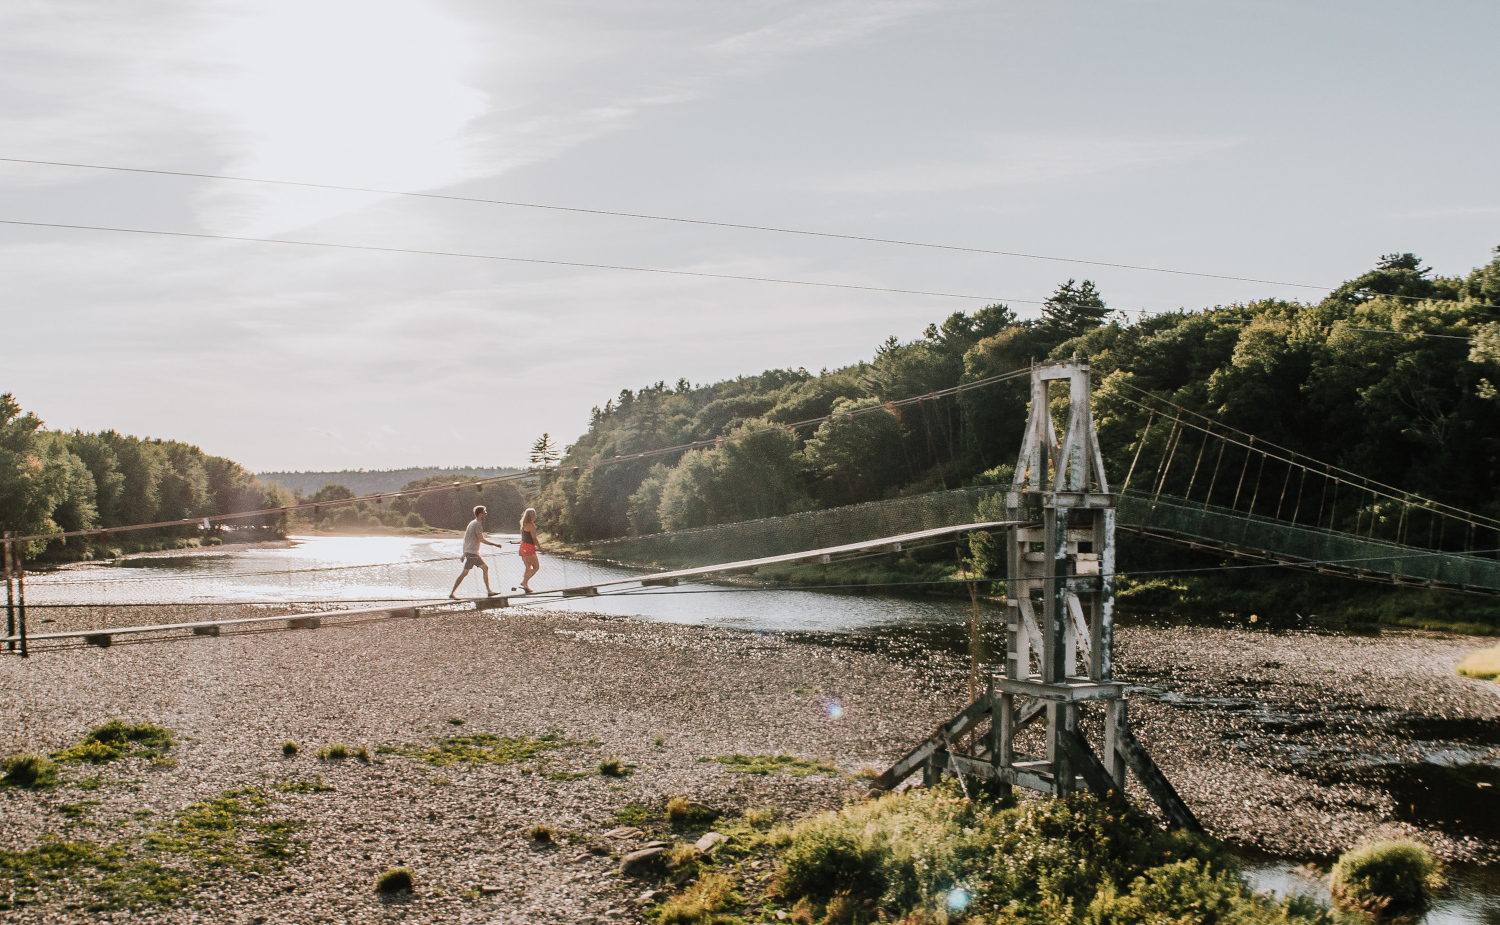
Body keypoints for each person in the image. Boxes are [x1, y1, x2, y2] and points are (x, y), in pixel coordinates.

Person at [449, 506, 505, 599]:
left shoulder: (472, 523)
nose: (486, 514)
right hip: (472, 553)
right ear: (480, 514)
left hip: (471, 552)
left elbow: (466, 539)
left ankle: (488, 591)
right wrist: (495, 544)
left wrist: (464, 553)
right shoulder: (477, 524)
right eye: (484, 512)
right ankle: (452, 593)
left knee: (477, 570)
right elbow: (481, 539)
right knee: (471, 571)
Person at [516, 508, 542, 594]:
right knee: (536, 567)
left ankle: (526, 586)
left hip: (523, 547)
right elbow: (534, 538)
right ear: (532, 516)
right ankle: (524, 582)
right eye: (534, 515)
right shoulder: (531, 525)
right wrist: (540, 548)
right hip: (529, 548)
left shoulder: (523, 524)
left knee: (528, 567)